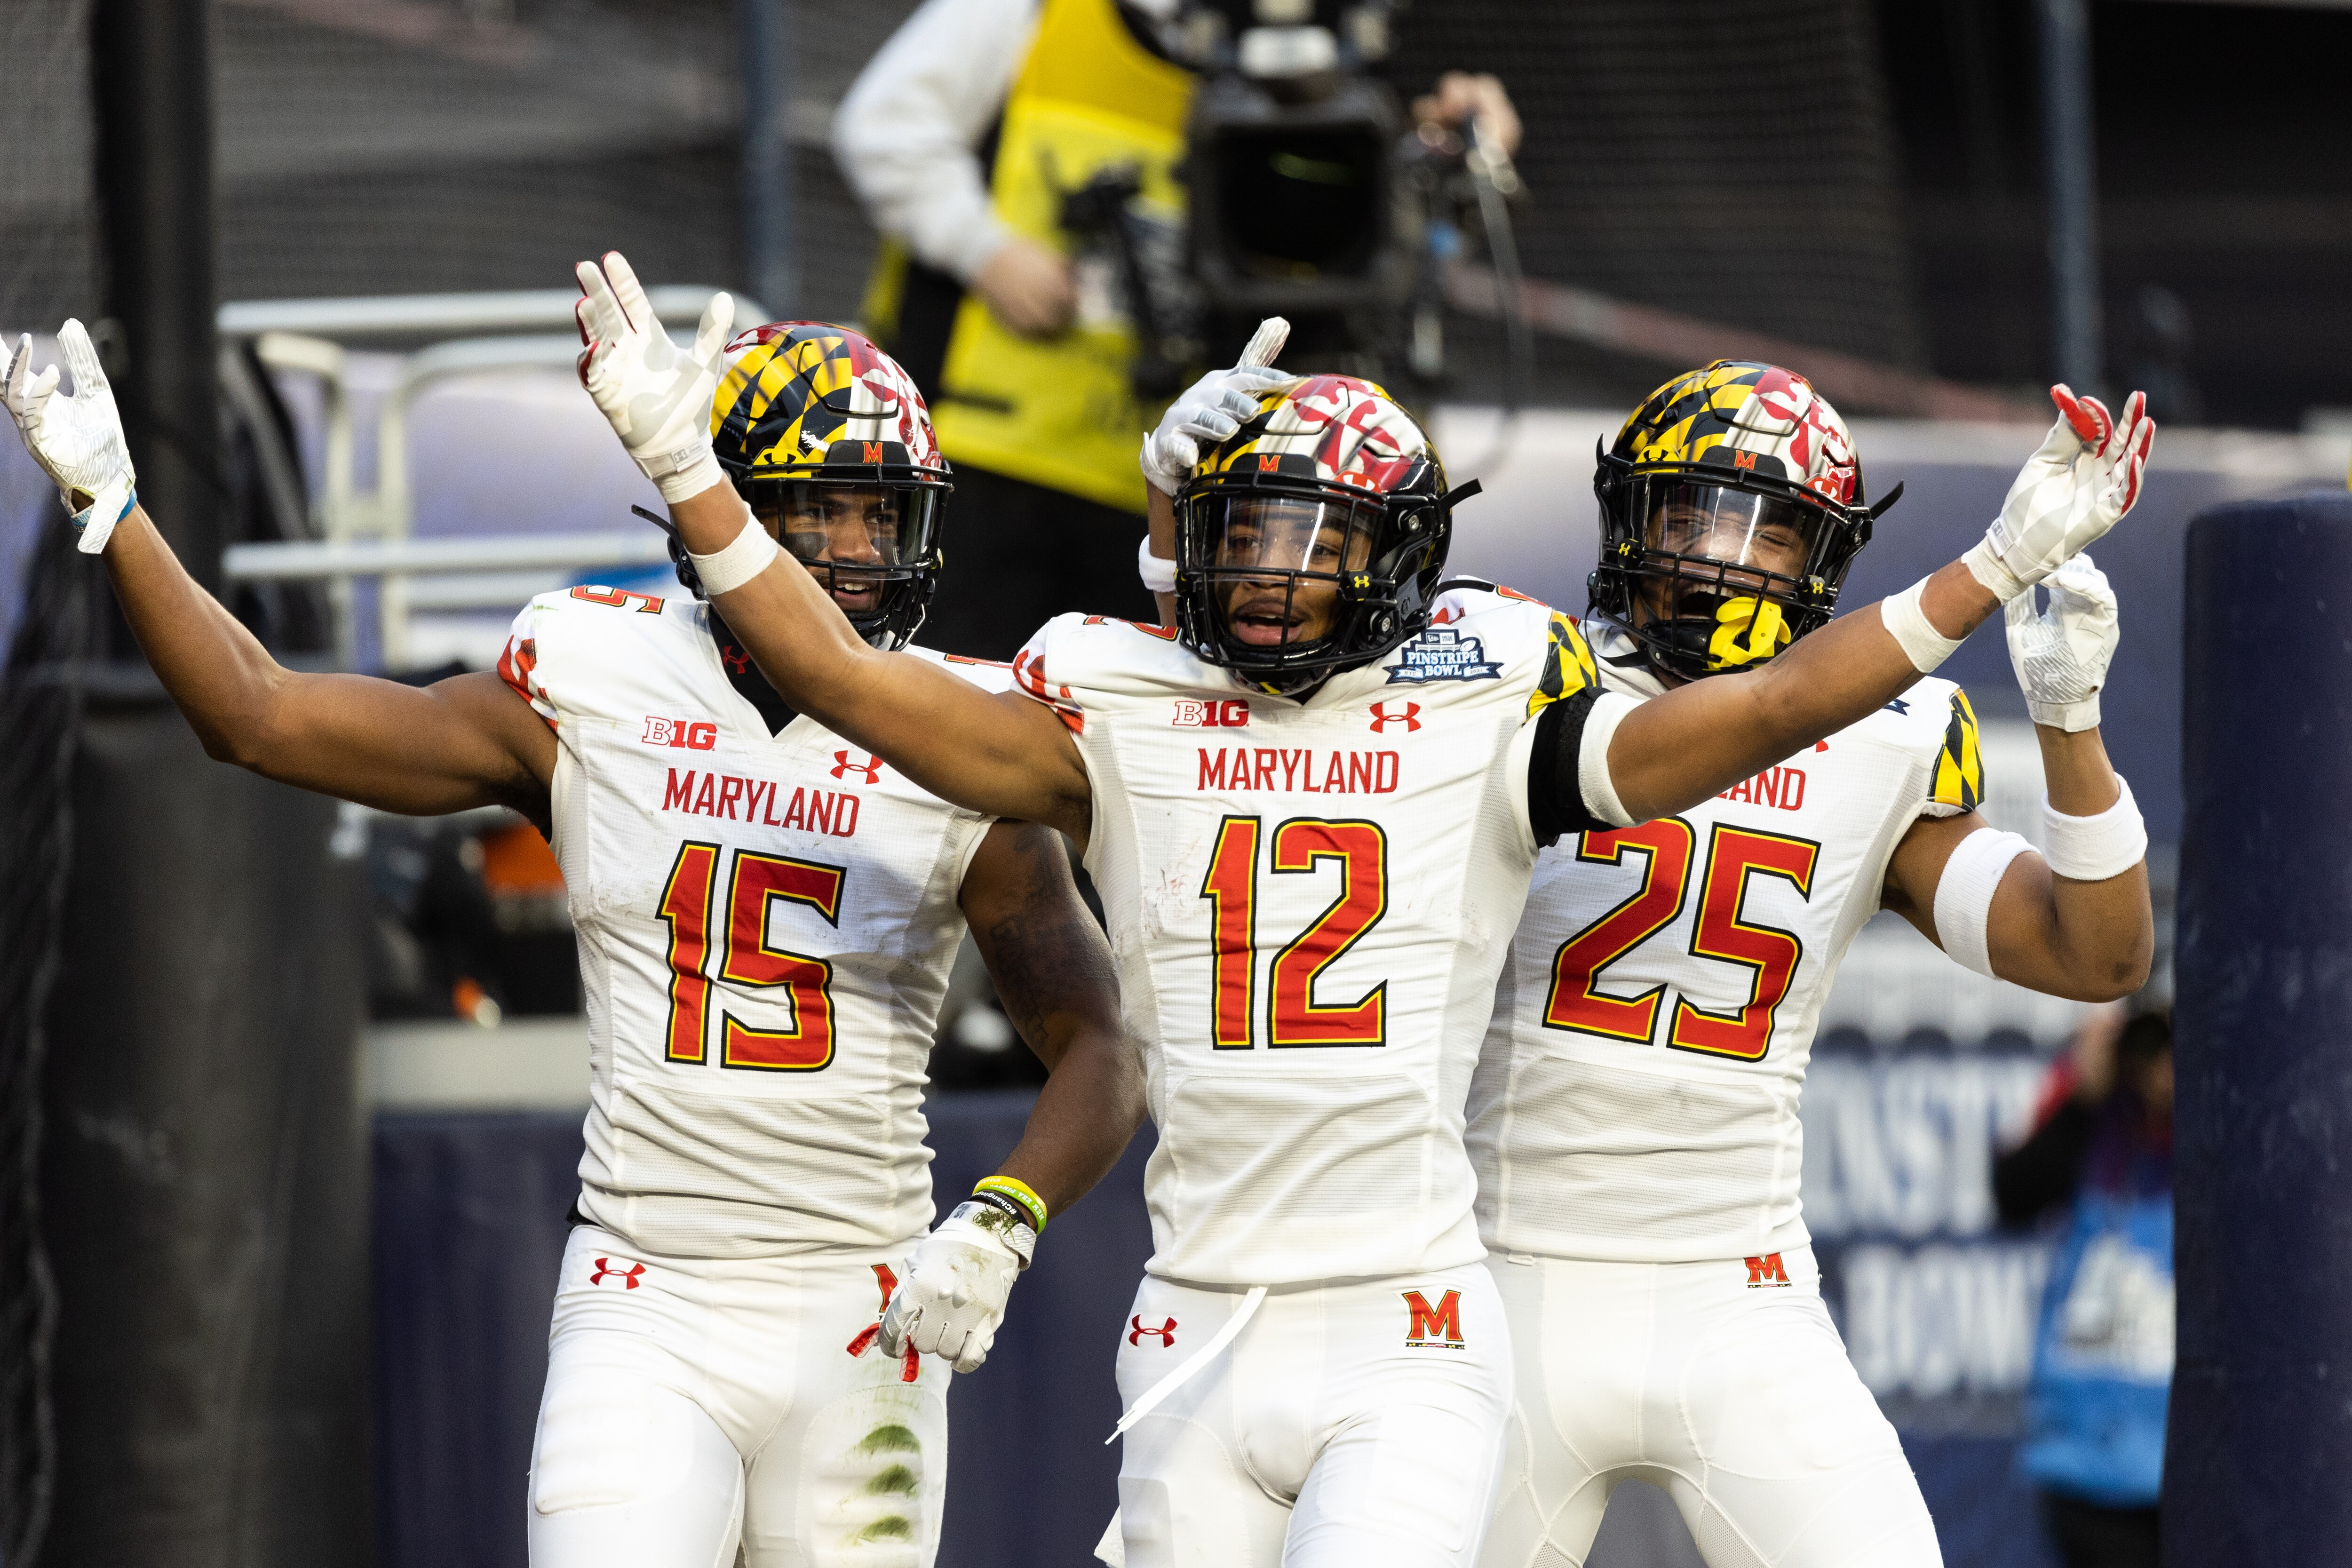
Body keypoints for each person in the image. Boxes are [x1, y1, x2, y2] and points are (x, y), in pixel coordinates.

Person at [569, 251, 2148, 1568]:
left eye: (1762, 528)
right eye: (1244, 538)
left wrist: (2026, 642)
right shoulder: (1298, 683)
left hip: (1538, 1300)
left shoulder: (1532, 696)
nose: (1715, 560)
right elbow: (896, 678)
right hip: (1343, 1297)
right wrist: (700, 471)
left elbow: (1852, 777)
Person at [0, 309, 1144, 1568]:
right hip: (650, 1293)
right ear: (729, 504)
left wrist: (1003, 1215)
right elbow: (258, 716)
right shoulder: (602, 677)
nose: (865, 549)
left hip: (868, 1306)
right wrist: (117, 510)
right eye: (826, 510)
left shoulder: (956, 735)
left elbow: (1100, 1041)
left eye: (886, 513)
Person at [1454, 361, 2159, 1568]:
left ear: (1822, 559)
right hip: (1497, 1273)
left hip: (1740, 1291)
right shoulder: (1518, 673)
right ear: (1629, 516)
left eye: (1767, 530)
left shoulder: (1888, 736)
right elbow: (1774, 707)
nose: (1720, 558)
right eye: (1693, 514)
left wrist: (2068, 716)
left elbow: (2094, 954)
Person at [833, 0, 1520, 657]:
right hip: (987, 459)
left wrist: (1441, 163)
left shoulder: (1349, 60)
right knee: (954, 694)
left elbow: (1354, 263)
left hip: (1184, 492)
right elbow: (884, 128)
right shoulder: (1046, 13)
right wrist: (984, 249)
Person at [1995, 1007, 2174, 1568]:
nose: (2159, 1066)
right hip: (2087, 1456)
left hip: (2196, 1451)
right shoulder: (2092, 1106)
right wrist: (2082, 1096)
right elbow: (2012, 1196)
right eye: (2150, 1046)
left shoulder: (2237, 1113)